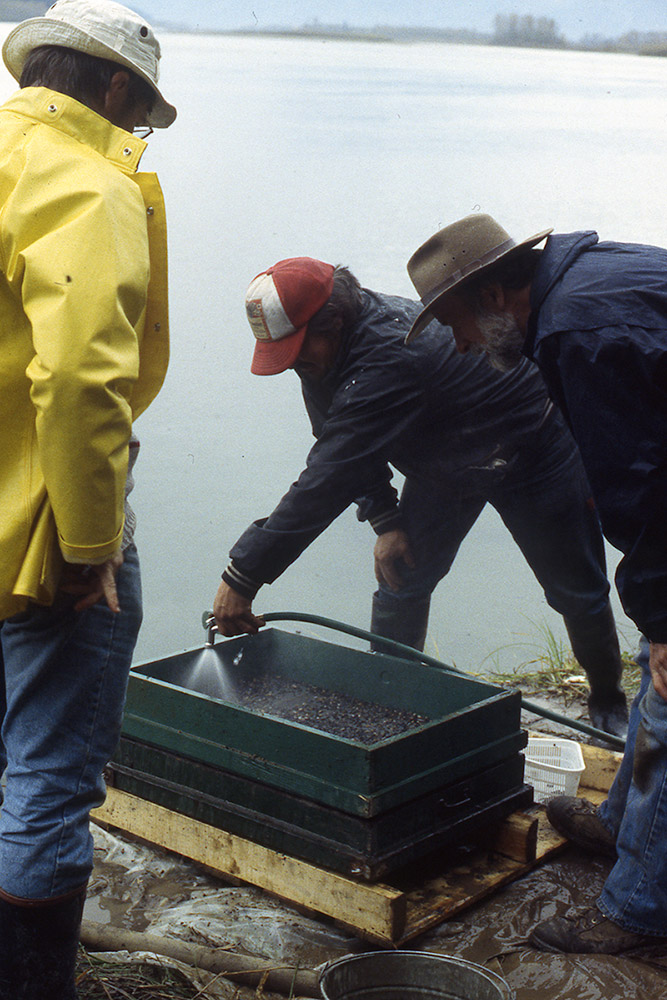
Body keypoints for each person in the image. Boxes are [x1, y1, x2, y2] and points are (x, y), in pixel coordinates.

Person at [213, 256, 627, 737]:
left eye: (300, 353)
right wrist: (386, 521)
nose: (297, 366)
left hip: (529, 448)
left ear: (335, 321)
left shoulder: (389, 355)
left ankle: (607, 702)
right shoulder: (324, 353)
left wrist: (243, 574)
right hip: (444, 466)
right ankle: (386, 702)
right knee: (402, 580)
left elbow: (328, 477)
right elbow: (337, 436)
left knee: (577, 591)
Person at [405, 213, 667, 954]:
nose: (456, 344)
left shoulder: (575, 333)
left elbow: (643, 489)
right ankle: (622, 826)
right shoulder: (581, 283)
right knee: (659, 669)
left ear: (493, 292)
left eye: (455, 322)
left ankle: (640, 912)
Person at [0, 1, 175, 995]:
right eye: (139, 114)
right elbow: (78, 383)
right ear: (114, 88)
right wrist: (90, 540)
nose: (136, 135)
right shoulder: (83, 182)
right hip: (38, 524)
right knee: (51, 783)